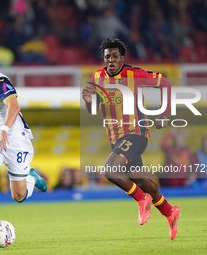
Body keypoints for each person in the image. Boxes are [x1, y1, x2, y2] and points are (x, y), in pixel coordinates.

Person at [82, 38, 180, 240]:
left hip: (136, 134)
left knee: (110, 170)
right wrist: (88, 101)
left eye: (115, 56)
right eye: (107, 56)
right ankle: (170, 212)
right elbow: (94, 110)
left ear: (122, 58)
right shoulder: (97, 76)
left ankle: (141, 199)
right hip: (115, 138)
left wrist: (164, 113)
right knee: (141, 180)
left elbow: (166, 84)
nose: (111, 60)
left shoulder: (135, 74)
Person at [0, 50, 47, 242]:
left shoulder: (0, 82)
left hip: (15, 138)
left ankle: (31, 176)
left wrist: (5, 129)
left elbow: (14, 107)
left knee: (18, 196)